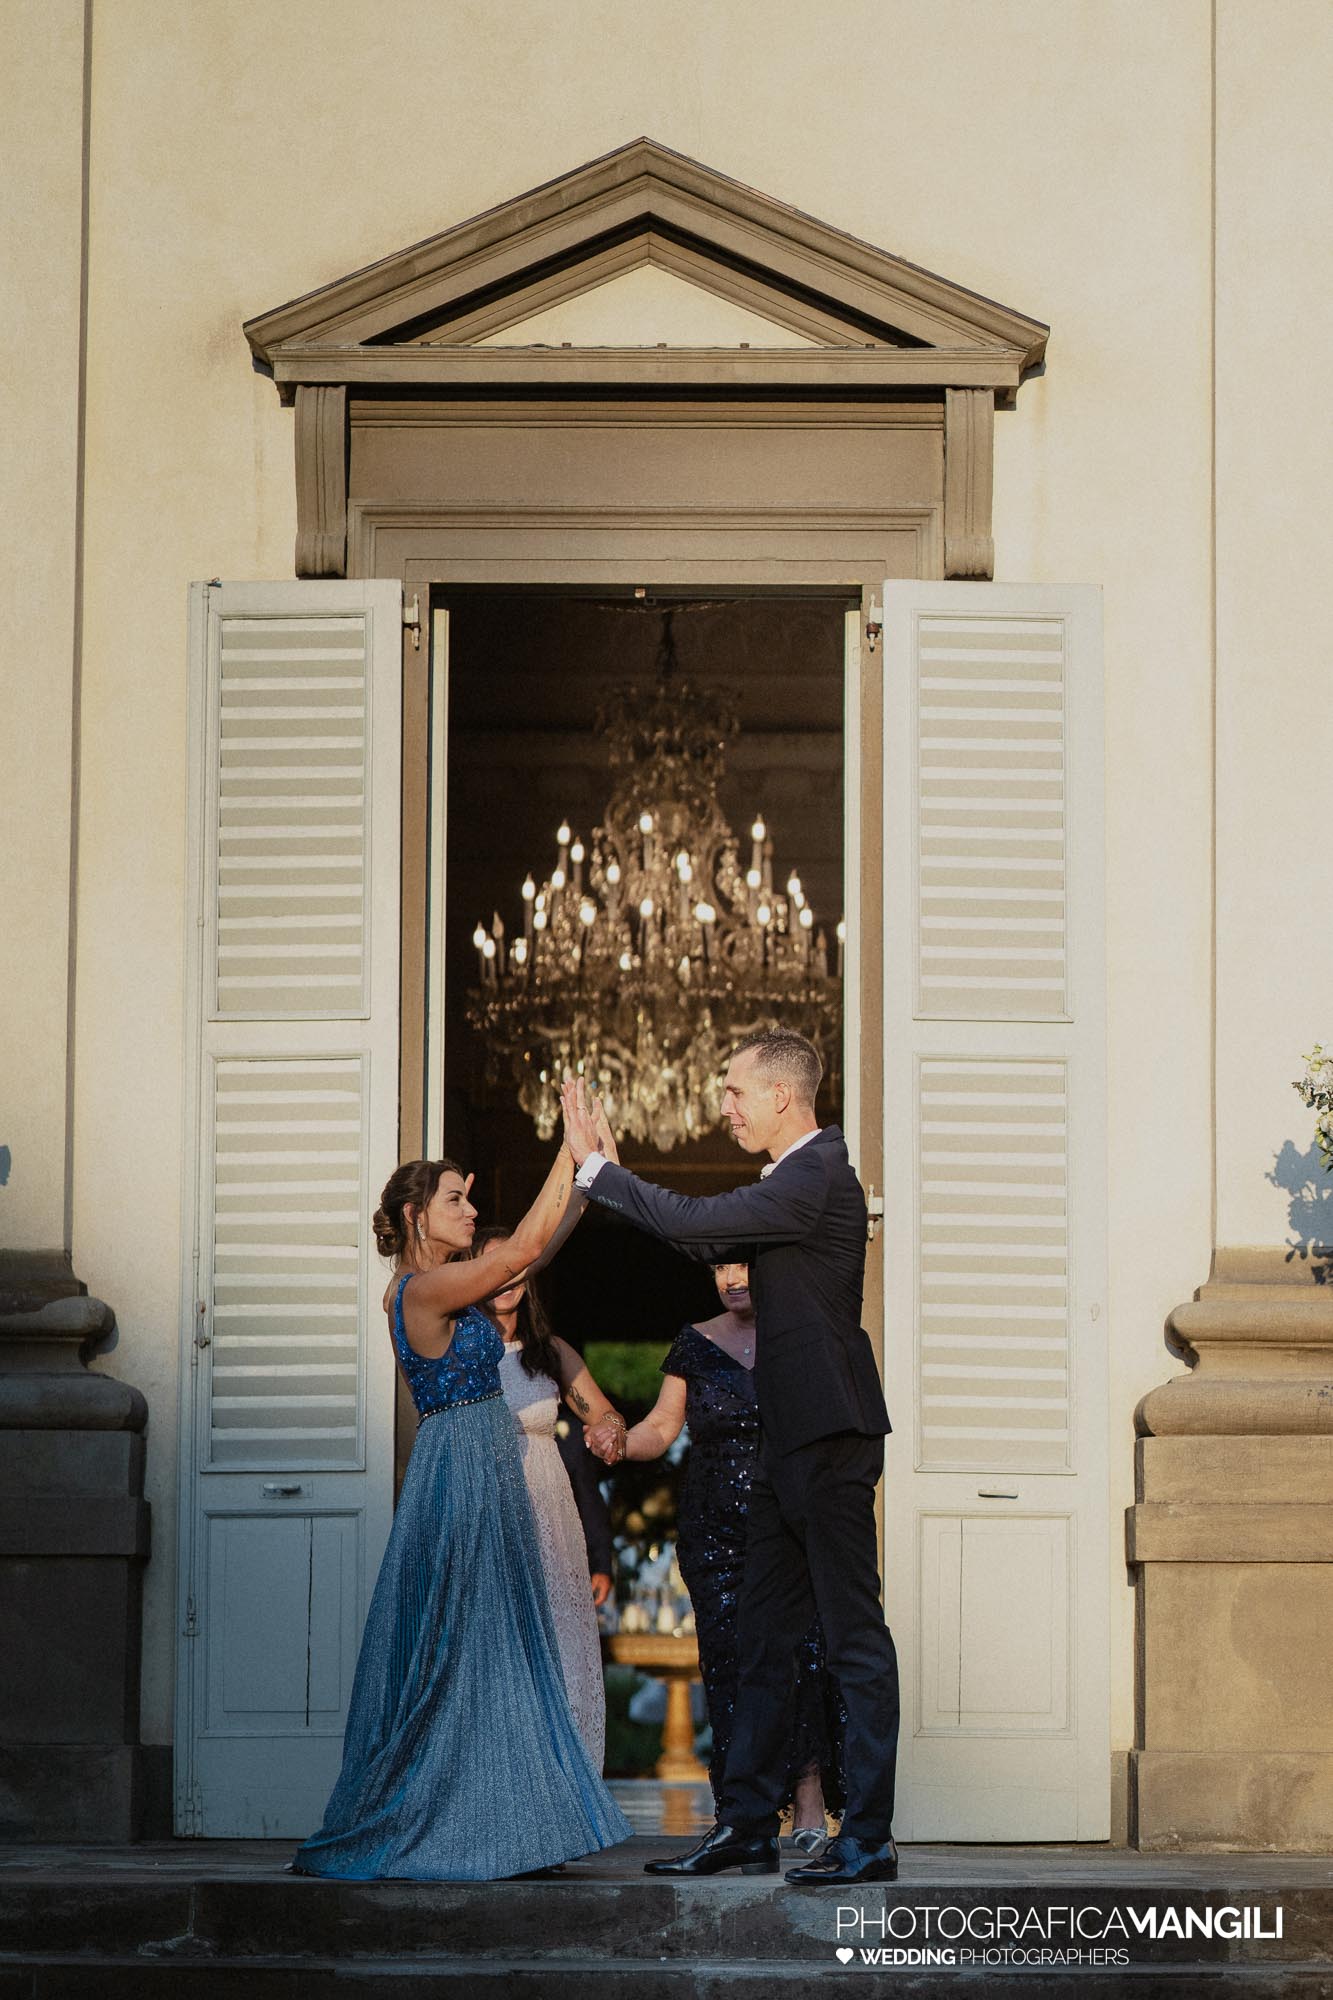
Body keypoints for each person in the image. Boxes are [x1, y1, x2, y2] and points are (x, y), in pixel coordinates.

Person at [566, 1026, 899, 1887]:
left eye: (733, 1092)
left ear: (782, 1096)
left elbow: (700, 1220)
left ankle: (867, 1838)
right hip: (790, 1439)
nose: (723, 1107)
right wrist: (610, 1178)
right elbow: (703, 1241)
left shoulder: (816, 1173)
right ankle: (747, 1824)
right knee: (760, 1640)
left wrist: (602, 1172)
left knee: (852, 1638)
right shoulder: (791, 1183)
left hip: (828, 1433)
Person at [293, 1143, 631, 1881]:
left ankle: (513, 1817)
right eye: (456, 1200)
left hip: (487, 1471)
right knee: (460, 1651)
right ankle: (447, 1814)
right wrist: (569, 1151)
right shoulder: (418, 1291)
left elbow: (529, 1254)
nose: (471, 1211)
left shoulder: (443, 1284)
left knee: (501, 1652)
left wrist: (586, 1177)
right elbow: (522, 1245)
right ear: (416, 1215)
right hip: (461, 1474)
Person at [608, 1257, 845, 1851]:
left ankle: (811, 1799)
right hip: (713, 1530)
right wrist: (617, 1441)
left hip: (791, 1523)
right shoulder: (694, 1343)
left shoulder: (803, 1333)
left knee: (804, 1655)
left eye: (744, 1264)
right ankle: (743, 1815)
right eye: (720, 1266)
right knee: (729, 1661)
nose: (732, 1278)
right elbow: (661, 1429)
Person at [472, 1222, 619, 1767]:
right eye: (496, 1262)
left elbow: (603, 1414)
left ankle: (563, 1791)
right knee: (495, 1651)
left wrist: (611, 1430)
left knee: (558, 1646)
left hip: (549, 1508)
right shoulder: (460, 1346)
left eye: (517, 1263)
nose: (508, 1275)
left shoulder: (550, 1352)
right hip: (486, 1506)